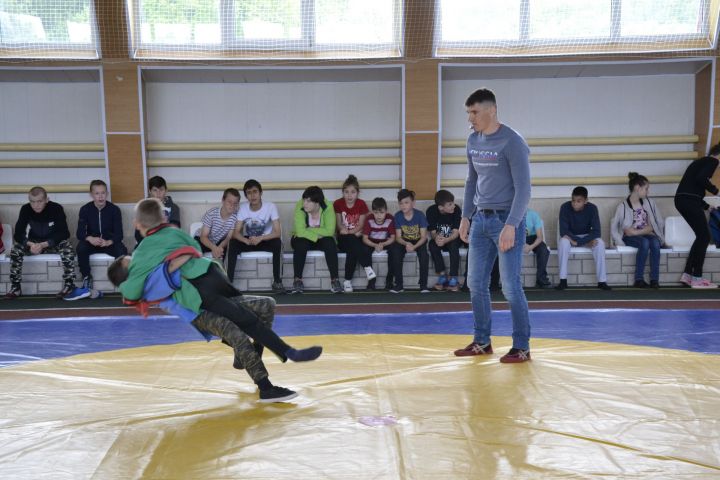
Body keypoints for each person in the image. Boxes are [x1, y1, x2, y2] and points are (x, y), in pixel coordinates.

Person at [112, 198, 322, 373]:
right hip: (199, 295)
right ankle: (281, 360)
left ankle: (274, 354)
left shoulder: (144, 254)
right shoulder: (173, 235)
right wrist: (169, 265)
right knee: (243, 321)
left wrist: (164, 266)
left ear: (138, 224)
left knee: (250, 315)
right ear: (162, 217)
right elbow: (192, 248)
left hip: (207, 283)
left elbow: (130, 291)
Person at [110, 253, 299, 403]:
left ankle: (250, 355)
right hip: (199, 312)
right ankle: (265, 388)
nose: (137, 260)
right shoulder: (147, 283)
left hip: (213, 296)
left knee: (267, 304)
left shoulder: (152, 266)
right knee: (235, 332)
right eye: (131, 262)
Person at [453, 88, 532, 363]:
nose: (470, 118)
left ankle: (521, 346)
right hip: (480, 221)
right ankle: (482, 341)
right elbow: (471, 181)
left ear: (491, 111)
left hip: (505, 221)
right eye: (468, 113)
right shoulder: (473, 140)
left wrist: (511, 224)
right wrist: (465, 216)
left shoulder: (512, 142)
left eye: (474, 112)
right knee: (475, 283)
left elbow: (524, 189)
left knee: (510, 286)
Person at [5, 186, 78, 299]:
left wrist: (44, 244)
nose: (36, 205)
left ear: (46, 200)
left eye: (39, 201)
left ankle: (69, 285)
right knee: (16, 249)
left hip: (51, 243)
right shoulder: (25, 209)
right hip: (33, 244)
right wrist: (30, 244)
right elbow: (18, 234)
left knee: (67, 247)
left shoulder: (56, 208)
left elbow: (64, 233)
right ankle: (16, 287)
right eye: (32, 202)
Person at [66, 180, 128, 300]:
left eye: (103, 193)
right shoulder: (85, 209)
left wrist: (109, 242)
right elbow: (79, 233)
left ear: (107, 193)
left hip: (108, 243)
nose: (100, 196)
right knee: (81, 247)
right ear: (91, 194)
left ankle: (124, 283)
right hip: (92, 242)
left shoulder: (114, 210)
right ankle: (86, 280)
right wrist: (90, 238)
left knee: (121, 249)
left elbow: (119, 234)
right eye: (97, 193)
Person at [226, 180, 285, 294]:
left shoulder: (270, 207)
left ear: (260, 193)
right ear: (246, 196)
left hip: (265, 240)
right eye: (249, 193)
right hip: (249, 240)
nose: (252, 195)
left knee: (278, 243)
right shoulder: (243, 208)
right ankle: (228, 284)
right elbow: (236, 232)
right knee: (232, 243)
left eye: (255, 192)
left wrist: (261, 238)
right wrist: (245, 240)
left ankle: (277, 282)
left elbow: (277, 232)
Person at [674, 144, 720, 288]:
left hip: (682, 200)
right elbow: (701, 179)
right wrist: (716, 191)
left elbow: (692, 189)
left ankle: (687, 275)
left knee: (701, 237)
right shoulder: (713, 161)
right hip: (688, 202)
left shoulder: (698, 162)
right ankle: (697, 277)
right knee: (705, 237)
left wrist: (707, 206)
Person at [611, 172, 665, 289]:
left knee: (655, 243)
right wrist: (620, 241)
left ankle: (654, 279)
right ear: (637, 188)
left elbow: (653, 225)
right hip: (630, 238)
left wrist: (635, 232)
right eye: (646, 189)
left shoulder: (650, 203)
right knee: (644, 243)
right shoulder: (623, 207)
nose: (648, 192)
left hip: (642, 234)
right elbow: (616, 227)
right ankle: (638, 279)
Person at [556, 186, 611, 291]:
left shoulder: (592, 208)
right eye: (573, 200)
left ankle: (602, 281)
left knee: (600, 243)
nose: (575, 203)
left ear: (586, 201)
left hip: (586, 237)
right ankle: (563, 280)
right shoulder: (564, 207)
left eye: (578, 201)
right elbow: (563, 231)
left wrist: (580, 242)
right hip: (570, 237)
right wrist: (579, 242)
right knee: (563, 242)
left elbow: (597, 231)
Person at [290, 186, 342, 294]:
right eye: (304, 200)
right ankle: (297, 280)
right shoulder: (300, 206)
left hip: (321, 238)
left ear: (317, 202)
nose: (305, 203)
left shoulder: (328, 207)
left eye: (308, 201)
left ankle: (335, 280)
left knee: (330, 243)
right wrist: (316, 235)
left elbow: (330, 231)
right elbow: (300, 232)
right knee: (300, 244)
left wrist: (308, 229)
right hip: (303, 238)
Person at [334, 175, 376, 293]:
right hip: (343, 238)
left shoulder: (361, 204)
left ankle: (347, 281)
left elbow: (361, 224)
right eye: (346, 192)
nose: (349, 195)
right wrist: (344, 231)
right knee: (352, 243)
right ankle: (367, 267)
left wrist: (352, 232)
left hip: (356, 237)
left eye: (353, 192)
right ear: (342, 192)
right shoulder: (338, 203)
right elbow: (338, 224)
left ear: (358, 193)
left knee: (352, 250)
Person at [390, 189, 429, 293]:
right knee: (396, 253)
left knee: (424, 255)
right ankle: (399, 285)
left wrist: (414, 247)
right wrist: (407, 243)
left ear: (413, 203)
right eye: (401, 203)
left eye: (406, 202)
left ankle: (423, 285)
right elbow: (398, 237)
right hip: (404, 241)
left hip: (419, 240)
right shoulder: (398, 216)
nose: (403, 206)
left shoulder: (420, 215)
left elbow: (424, 237)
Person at [426, 189, 461, 292]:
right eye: (450, 204)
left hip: (452, 238)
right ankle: (442, 276)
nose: (453, 206)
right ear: (441, 207)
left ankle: (453, 278)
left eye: (453, 203)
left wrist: (446, 240)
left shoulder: (457, 210)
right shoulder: (431, 211)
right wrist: (436, 238)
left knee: (454, 246)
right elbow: (432, 232)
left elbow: (456, 232)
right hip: (440, 239)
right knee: (432, 245)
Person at [196, 188, 240, 268]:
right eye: (229, 202)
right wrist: (214, 248)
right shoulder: (212, 213)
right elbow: (203, 237)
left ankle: (222, 273)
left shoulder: (235, 217)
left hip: (219, 242)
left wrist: (219, 248)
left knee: (230, 246)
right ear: (223, 200)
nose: (232, 205)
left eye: (235, 203)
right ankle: (196, 274)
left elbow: (228, 238)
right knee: (195, 251)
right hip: (203, 240)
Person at [134, 176, 181, 246]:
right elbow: (138, 233)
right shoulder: (143, 207)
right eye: (155, 190)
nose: (158, 193)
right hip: (146, 242)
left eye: (161, 190)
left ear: (166, 190)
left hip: (166, 243)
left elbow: (175, 229)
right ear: (150, 191)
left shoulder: (174, 207)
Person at [361, 197, 396, 290]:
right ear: (372, 212)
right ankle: (371, 280)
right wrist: (375, 245)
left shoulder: (390, 219)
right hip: (372, 242)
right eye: (376, 212)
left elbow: (393, 238)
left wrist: (383, 244)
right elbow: (365, 238)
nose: (379, 216)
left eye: (382, 212)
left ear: (386, 211)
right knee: (364, 250)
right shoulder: (369, 219)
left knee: (394, 250)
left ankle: (389, 280)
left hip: (386, 242)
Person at [524, 208, 552, 289]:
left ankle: (541, 279)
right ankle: (511, 282)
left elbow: (540, 237)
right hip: (516, 239)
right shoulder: (510, 214)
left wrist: (530, 247)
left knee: (543, 250)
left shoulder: (533, 215)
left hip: (533, 238)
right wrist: (521, 244)